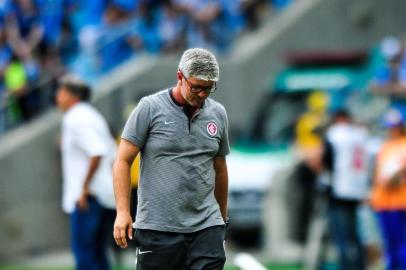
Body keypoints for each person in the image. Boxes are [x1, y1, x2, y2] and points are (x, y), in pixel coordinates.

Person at [113, 48, 230, 270]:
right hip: (158, 228)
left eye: (209, 88)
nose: (203, 95)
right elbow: (122, 161)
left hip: (206, 227)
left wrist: (221, 221)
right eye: (197, 87)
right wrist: (122, 211)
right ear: (180, 77)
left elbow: (220, 168)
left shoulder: (218, 114)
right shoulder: (149, 108)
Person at [55, 74, 116, 270]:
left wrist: (84, 187)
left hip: (89, 197)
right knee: (99, 254)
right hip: (105, 194)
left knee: (85, 256)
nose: (57, 97)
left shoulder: (75, 117)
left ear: (73, 95)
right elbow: (112, 154)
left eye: (61, 92)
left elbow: (96, 151)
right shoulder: (93, 115)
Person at [325, 109, 369, 270]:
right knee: (355, 234)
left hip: (339, 189)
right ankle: (360, 265)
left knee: (342, 237)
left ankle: (346, 266)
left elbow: (326, 159)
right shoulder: (360, 135)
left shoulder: (336, 134)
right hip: (357, 190)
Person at [370, 108, 406, 270]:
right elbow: (379, 173)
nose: (392, 130)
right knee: (390, 243)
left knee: (402, 243)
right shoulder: (385, 146)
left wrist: (396, 177)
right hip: (385, 202)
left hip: (401, 202)